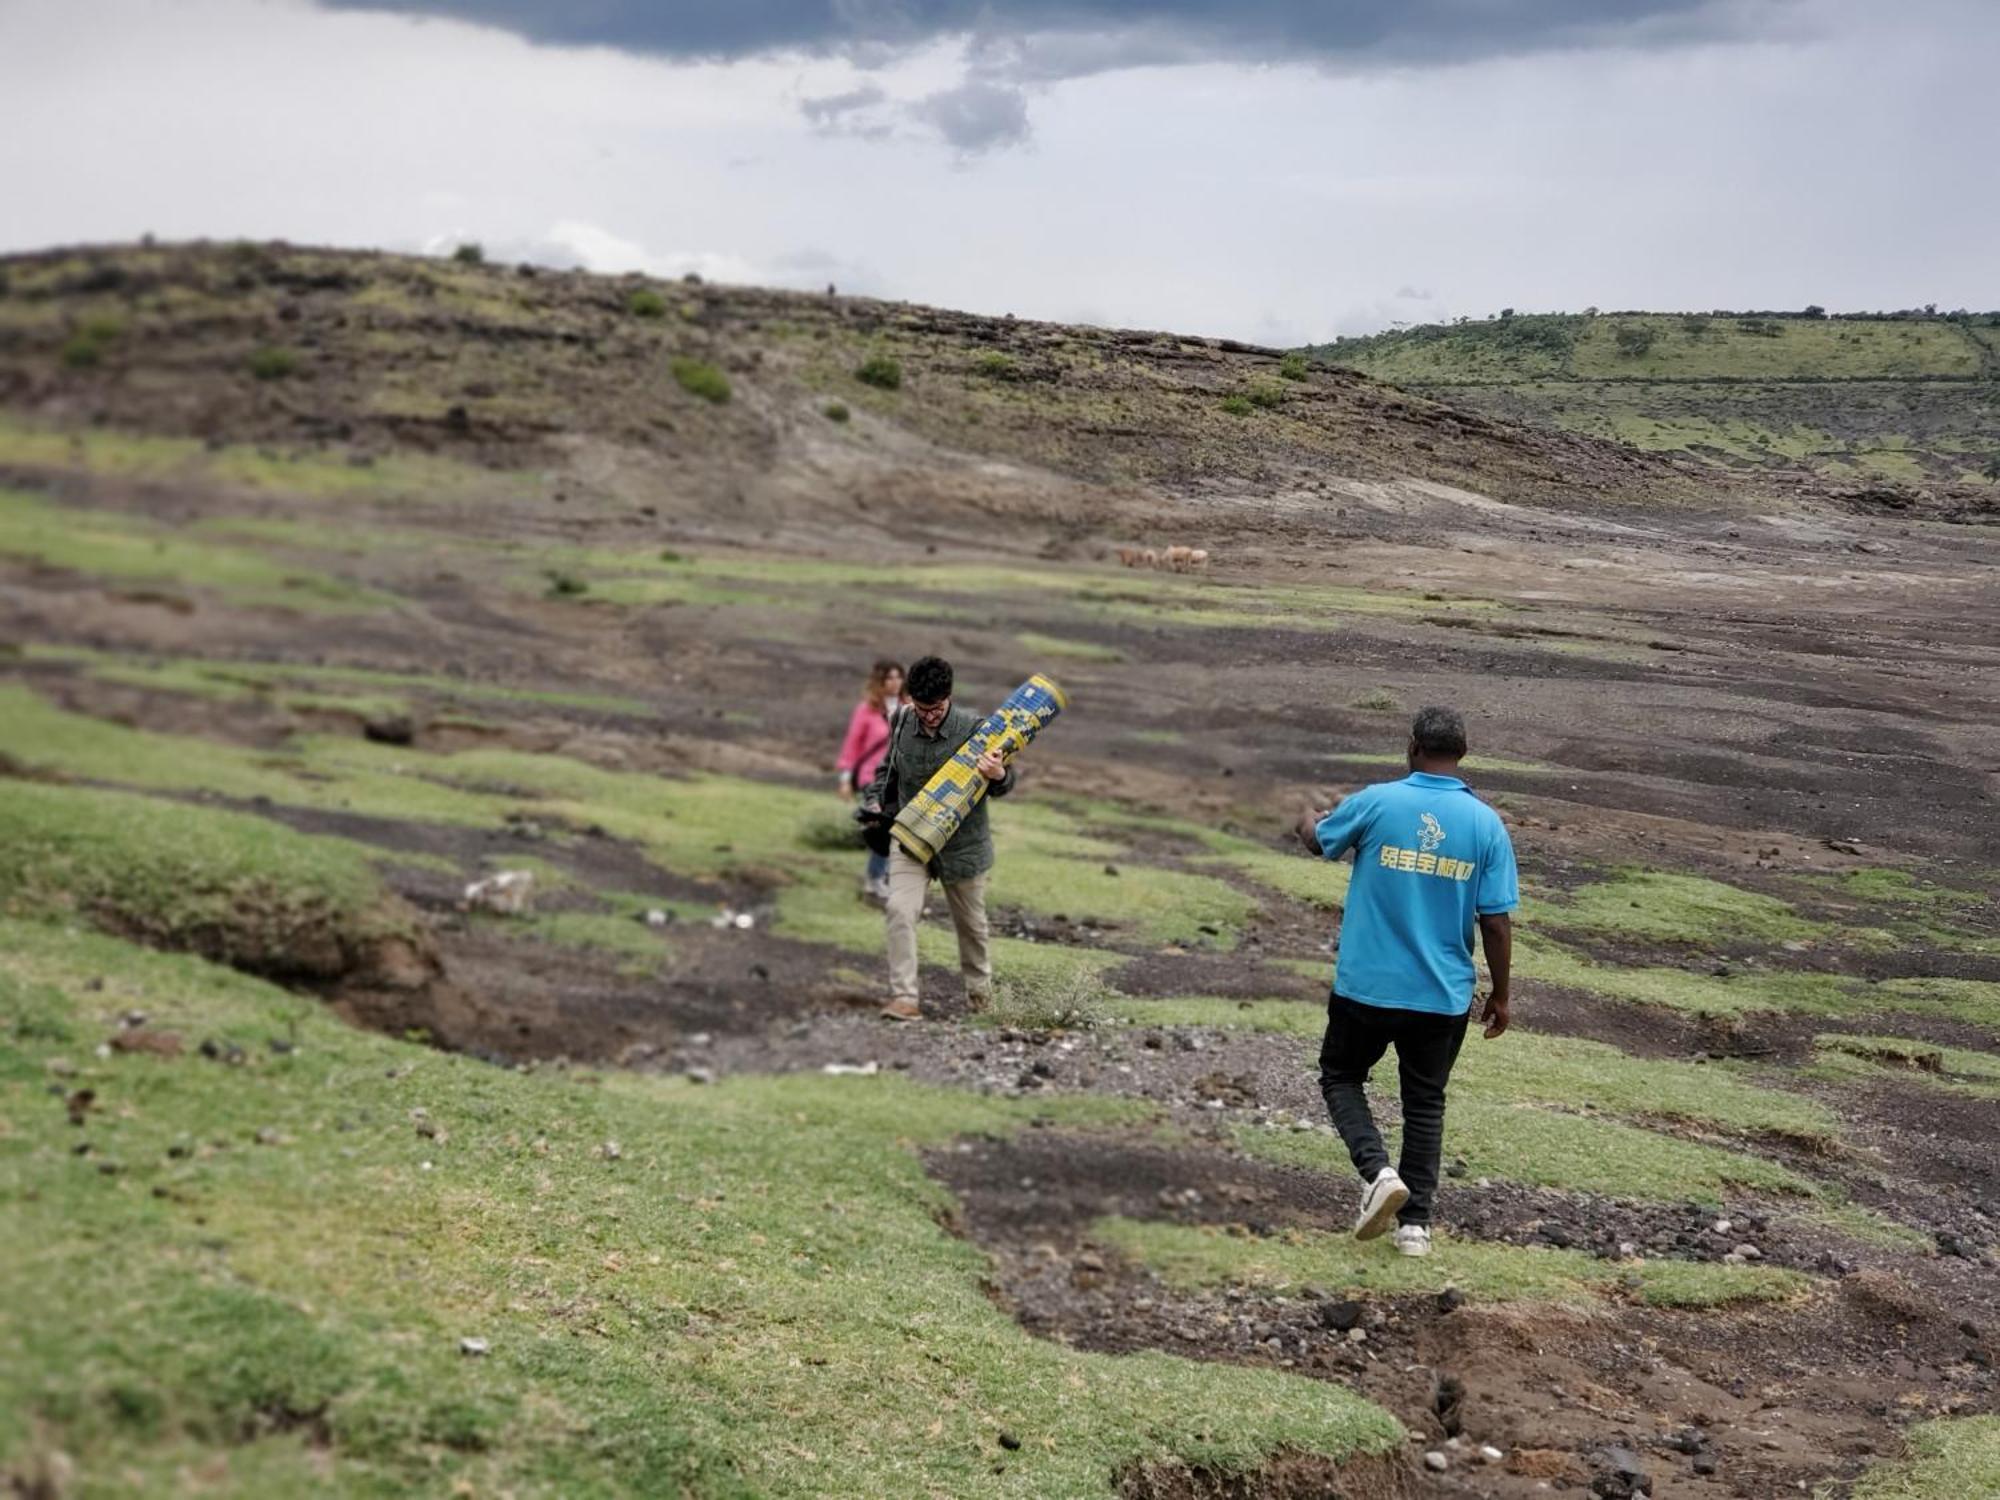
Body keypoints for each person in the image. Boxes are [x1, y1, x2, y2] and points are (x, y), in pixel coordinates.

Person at [1296, 705, 1517, 1258]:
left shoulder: (1378, 801)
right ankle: (1414, 1228)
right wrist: (1503, 994)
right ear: (1461, 754)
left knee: (1341, 1075)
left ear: (1413, 746)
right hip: (1441, 995)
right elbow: (1495, 920)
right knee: (1424, 1103)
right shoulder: (1485, 824)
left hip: (1366, 986)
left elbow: (1319, 841)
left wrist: (1302, 814)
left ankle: (1377, 1173)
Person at [860, 655, 1012, 1022]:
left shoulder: (978, 729)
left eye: (937, 708)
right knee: (898, 909)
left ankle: (981, 1000)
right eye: (922, 708)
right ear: (912, 699)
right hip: (911, 837)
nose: (929, 716)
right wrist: (875, 798)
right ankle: (905, 998)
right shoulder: (900, 720)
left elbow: (1006, 785)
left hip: (962, 849)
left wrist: (998, 773)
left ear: (950, 697)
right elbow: (887, 769)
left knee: (972, 928)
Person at [835, 658, 905, 902]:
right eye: (890, 678)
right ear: (879, 681)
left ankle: (880, 876)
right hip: (871, 779)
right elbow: (852, 746)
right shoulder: (866, 710)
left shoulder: (909, 707)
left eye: (899, 677)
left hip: (900, 779)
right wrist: (845, 779)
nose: (895, 682)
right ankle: (875, 878)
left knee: (896, 828)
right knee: (882, 826)